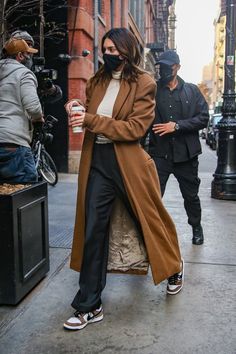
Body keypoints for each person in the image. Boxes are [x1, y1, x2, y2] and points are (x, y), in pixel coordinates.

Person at [63, 28, 184, 331]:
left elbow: (134, 129)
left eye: (115, 49)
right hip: (98, 162)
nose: (109, 54)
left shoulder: (144, 83)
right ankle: (89, 304)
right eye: (105, 48)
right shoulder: (96, 81)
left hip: (129, 164)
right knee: (94, 231)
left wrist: (89, 119)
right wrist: (77, 108)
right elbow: (92, 115)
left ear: (128, 51)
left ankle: (173, 268)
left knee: (147, 222)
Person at [148, 50, 209, 245]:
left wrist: (177, 126)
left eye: (168, 66)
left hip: (186, 155)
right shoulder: (153, 91)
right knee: (153, 198)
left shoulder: (192, 90)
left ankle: (196, 226)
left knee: (191, 197)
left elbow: (203, 118)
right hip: (160, 154)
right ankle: (152, 236)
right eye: (161, 66)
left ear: (177, 67)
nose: (164, 70)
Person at [0, 38, 44, 183]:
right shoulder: (24, 73)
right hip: (13, 142)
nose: (29, 57)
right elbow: (33, 107)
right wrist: (38, 118)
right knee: (27, 188)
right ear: (20, 56)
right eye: (27, 54)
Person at [10, 29, 62, 104]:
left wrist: (51, 89)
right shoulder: (5, 66)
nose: (29, 49)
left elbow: (54, 96)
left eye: (31, 45)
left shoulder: (35, 66)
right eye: (26, 44)